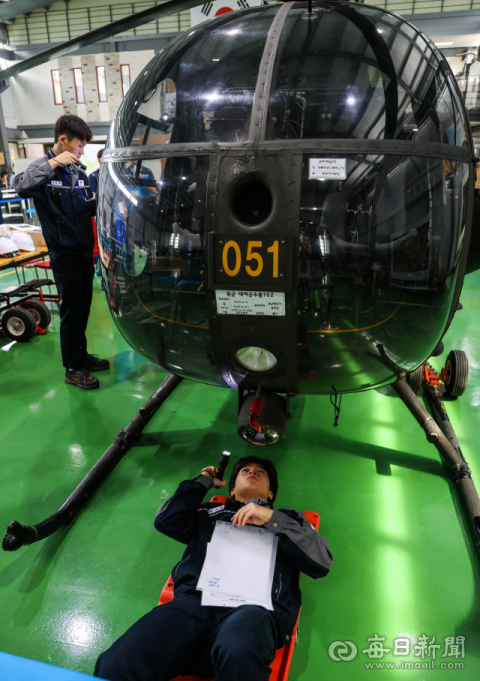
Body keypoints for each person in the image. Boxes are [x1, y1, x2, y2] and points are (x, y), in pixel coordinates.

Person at [94, 455, 333, 681]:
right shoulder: (208, 512)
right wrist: (204, 480)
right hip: (193, 605)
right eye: (245, 471)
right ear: (232, 490)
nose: (251, 472)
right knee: (118, 662)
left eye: (260, 472)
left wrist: (272, 519)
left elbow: (322, 561)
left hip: (254, 610)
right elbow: (167, 520)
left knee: (240, 648)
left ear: (270, 493)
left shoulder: (290, 519)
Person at [12, 115, 110, 389]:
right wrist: (53, 162)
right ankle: (72, 368)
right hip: (64, 254)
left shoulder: (77, 172)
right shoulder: (43, 169)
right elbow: (20, 186)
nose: (81, 152)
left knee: (84, 308)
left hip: (83, 252)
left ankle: (81, 356)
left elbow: (82, 208)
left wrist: (102, 198)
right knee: (70, 311)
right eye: (79, 146)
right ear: (63, 140)